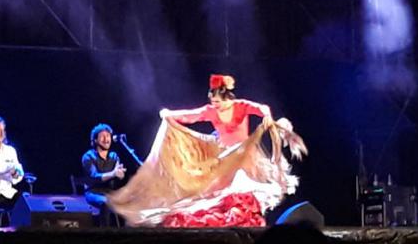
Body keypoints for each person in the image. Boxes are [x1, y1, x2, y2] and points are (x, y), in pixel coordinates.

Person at [107, 74, 307, 227]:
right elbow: (191, 115)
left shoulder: (241, 106)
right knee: (215, 195)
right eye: (213, 102)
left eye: (218, 102)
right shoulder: (211, 111)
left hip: (244, 155)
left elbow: (262, 108)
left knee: (242, 192)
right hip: (226, 156)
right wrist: (169, 114)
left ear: (227, 98)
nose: (215, 106)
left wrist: (265, 115)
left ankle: (246, 225)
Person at [81, 123, 127, 227]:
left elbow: (118, 176)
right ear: (95, 140)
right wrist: (113, 173)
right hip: (93, 192)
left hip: (110, 192)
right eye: (103, 136)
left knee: (128, 200)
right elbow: (94, 177)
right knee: (105, 202)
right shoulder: (88, 156)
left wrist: (120, 175)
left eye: (108, 136)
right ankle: (104, 233)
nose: (106, 139)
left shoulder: (114, 156)